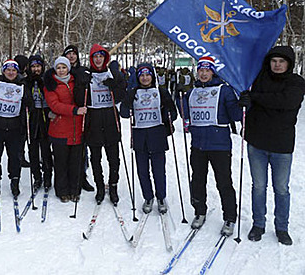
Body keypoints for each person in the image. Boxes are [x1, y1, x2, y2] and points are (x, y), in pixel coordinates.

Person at [240, 46, 305, 245]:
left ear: (289, 64)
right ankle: (258, 224)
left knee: (281, 189)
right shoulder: (258, 79)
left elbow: (286, 101)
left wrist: (256, 98)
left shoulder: (296, 82)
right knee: (259, 187)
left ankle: (281, 227)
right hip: (257, 144)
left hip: (282, 146)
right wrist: (244, 101)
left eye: (282, 61)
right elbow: (248, 101)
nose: (277, 65)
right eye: (274, 61)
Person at [181, 56, 242, 236]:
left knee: (223, 182)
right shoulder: (192, 91)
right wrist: (180, 97)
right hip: (198, 145)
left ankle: (229, 217)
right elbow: (185, 113)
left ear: (213, 72)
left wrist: (243, 101)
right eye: (201, 70)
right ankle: (200, 211)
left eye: (207, 70)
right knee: (198, 180)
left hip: (220, 145)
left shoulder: (224, 90)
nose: (204, 73)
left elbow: (236, 115)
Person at [120, 63, 177, 214]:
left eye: (148, 75)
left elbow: (174, 114)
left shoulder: (160, 91)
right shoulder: (133, 92)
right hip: (140, 136)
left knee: (158, 170)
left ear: (152, 75)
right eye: (142, 75)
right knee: (142, 170)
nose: (145, 78)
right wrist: (128, 100)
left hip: (157, 135)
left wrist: (167, 110)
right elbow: (124, 114)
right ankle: (148, 197)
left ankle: (161, 197)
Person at [74, 43, 126, 204]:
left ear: (105, 58)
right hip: (93, 120)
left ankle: (113, 185)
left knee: (114, 158)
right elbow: (78, 99)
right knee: (95, 158)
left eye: (101, 56)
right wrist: (82, 85)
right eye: (95, 56)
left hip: (111, 119)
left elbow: (121, 94)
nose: (98, 59)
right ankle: (100, 187)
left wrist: (114, 85)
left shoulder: (112, 73)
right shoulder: (86, 74)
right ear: (91, 58)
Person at [0, 59, 32, 198]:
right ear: (4, 71)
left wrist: (28, 101)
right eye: (8, 70)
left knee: (14, 156)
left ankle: (14, 181)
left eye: (13, 70)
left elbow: (30, 101)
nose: (10, 73)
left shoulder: (22, 84)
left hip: (15, 127)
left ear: (17, 72)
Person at [44, 56, 86, 202]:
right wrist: (75, 110)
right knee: (61, 163)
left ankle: (75, 190)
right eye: (58, 68)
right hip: (59, 129)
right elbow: (54, 105)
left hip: (77, 130)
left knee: (75, 163)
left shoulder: (76, 81)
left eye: (64, 67)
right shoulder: (50, 84)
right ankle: (62, 190)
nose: (61, 70)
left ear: (69, 68)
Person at [63, 44, 94, 192]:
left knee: (82, 147)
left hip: (82, 113)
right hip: (66, 113)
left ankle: (82, 176)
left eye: (74, 54)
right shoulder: (61, 71)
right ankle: (67, 176)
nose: (71, 56)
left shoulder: (83, 71)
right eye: (68, 54)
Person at [25, 55, 53, 190]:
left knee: (46, 150)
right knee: (33, 151)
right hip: (32, 118)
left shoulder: (47, 79)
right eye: (33, 67)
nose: (36, 69)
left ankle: (48, 176)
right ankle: (37, 177)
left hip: (45, 117)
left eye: (38, 66)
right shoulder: (26, 81)